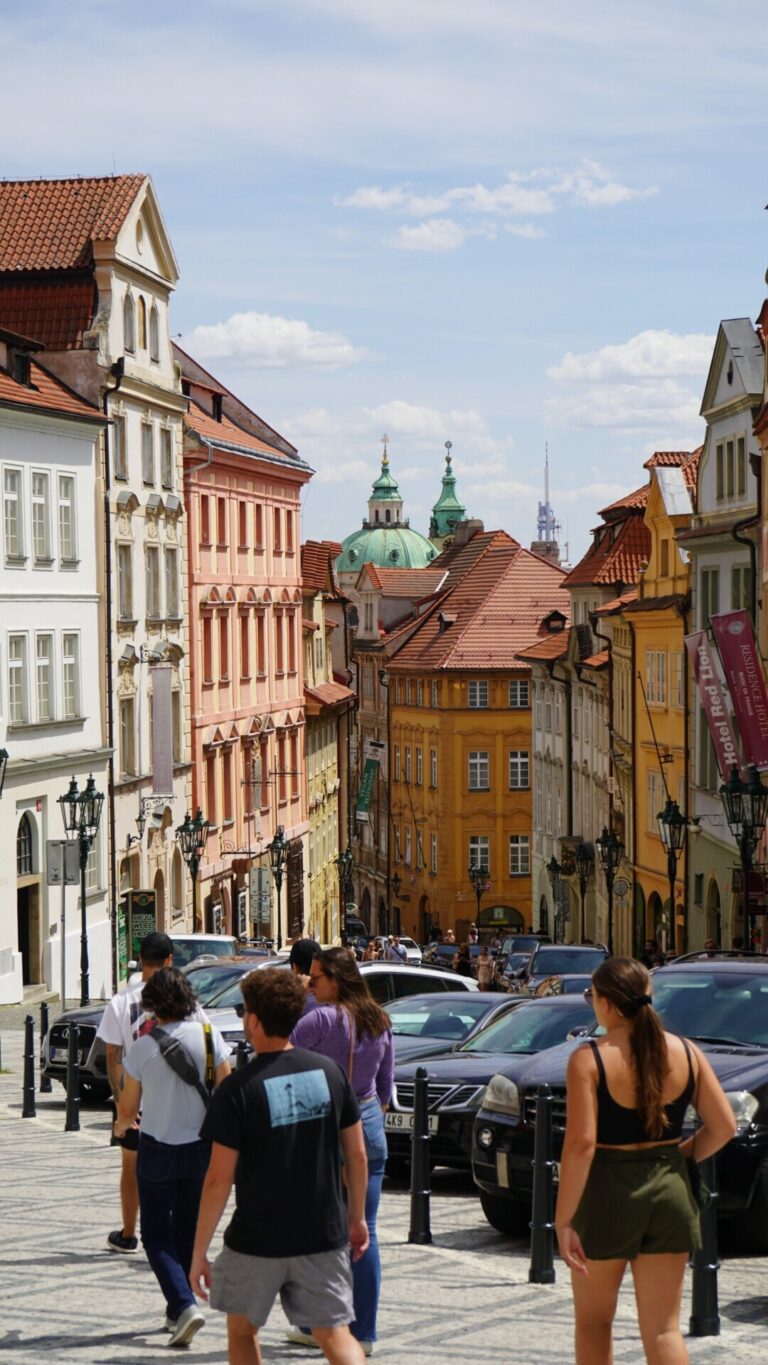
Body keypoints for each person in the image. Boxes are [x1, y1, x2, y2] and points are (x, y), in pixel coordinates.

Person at [556, 956, 736, 1365]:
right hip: (670, 1191)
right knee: (664, 1330)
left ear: (604, 1003)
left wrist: (564, 1220)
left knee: (594, 1323)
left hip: (607, 1194)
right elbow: (723, 1126)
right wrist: (680, 1155)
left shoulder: (589, 1058)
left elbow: (581, 1144)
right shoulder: (687, 1053)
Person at [190, 968, 368, 1365]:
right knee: (334, 1334)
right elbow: (356, 1156)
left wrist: (199, 1251)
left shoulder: (238, 1089)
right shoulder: (330, 1073)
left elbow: (219, 1179)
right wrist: (357, 1219)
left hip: (257, 1238)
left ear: (254, 1020)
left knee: (242, 1330)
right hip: (322, 1231)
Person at [115, 968, 231, 1347]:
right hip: (201, 1149)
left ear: (153, 1005)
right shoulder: (211, 1038)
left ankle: (183, 1304)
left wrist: (120, 1126)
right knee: (185, 1231)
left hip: (158, 1148)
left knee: (154, 1236)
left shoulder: (144, 1047)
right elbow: (227, 1092)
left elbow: (129, 1108)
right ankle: (175, 1310)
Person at [289, 947, 394, 1355]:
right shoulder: (379, 1019)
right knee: (363, 1230)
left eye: (316, 978)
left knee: (318, 1230)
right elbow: (385, 1088)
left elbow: (284, 1058)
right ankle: (363, 1334)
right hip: (368, 1124)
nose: (311, 985)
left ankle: (314, 1323)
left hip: (325, 1125)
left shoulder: (320, 1018)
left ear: (336, 978)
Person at [96, 930, 176, 1254]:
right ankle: (168, 1234)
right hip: (173, 1098)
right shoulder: (182, 999)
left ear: (140, 960)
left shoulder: (121, 1001)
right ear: (170, 961)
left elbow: (113, 1056)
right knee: (172, 1167)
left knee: (131, 1166)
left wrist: (122, 1106)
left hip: (136, 1098)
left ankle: (129, 1234)